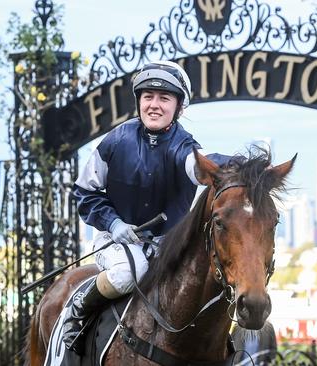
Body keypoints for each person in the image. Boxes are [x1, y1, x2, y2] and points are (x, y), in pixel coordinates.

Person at [62, 60, 229, 354]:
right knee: (131, 271)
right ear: (138, 100)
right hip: (116, 240)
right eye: (148, 96)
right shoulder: (114, 141)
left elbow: (202, 166)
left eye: (164, 98)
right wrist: (113, 223)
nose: (154, 105)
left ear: (179, 107)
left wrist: (243, 166)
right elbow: (84, 191)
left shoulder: (184, 147)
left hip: (168, 245)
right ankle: (79, 306)